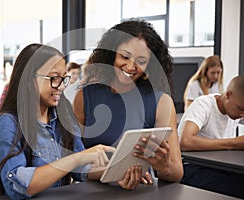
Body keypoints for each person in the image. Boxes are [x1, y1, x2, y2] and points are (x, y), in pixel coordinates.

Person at [0, 44, 146, 199]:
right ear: (28, 80)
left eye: (64, 78)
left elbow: (80, 168)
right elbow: (17, 186)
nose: (61, 87)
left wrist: (117, 172)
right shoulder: (8, 122)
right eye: (54, 78)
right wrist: (77, 158)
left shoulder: (64, 114)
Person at [73, 19, 183, 183]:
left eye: (141, 61)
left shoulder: (161, 102)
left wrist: (163, 165)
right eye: (125, 56)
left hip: (139, 191)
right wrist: (114, 172)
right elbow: (71, 161)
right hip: (92, 191)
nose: (131, 67)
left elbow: (176, 172)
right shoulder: (85, 96)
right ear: (111, 54)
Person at [178, 75, 244, 198]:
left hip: (219, 165)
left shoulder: (235, 112)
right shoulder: (203, 105)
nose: (243, 115)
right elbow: (186, 141)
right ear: (228, 95)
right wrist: (234, 143)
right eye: (241, 109)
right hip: (190, 167)